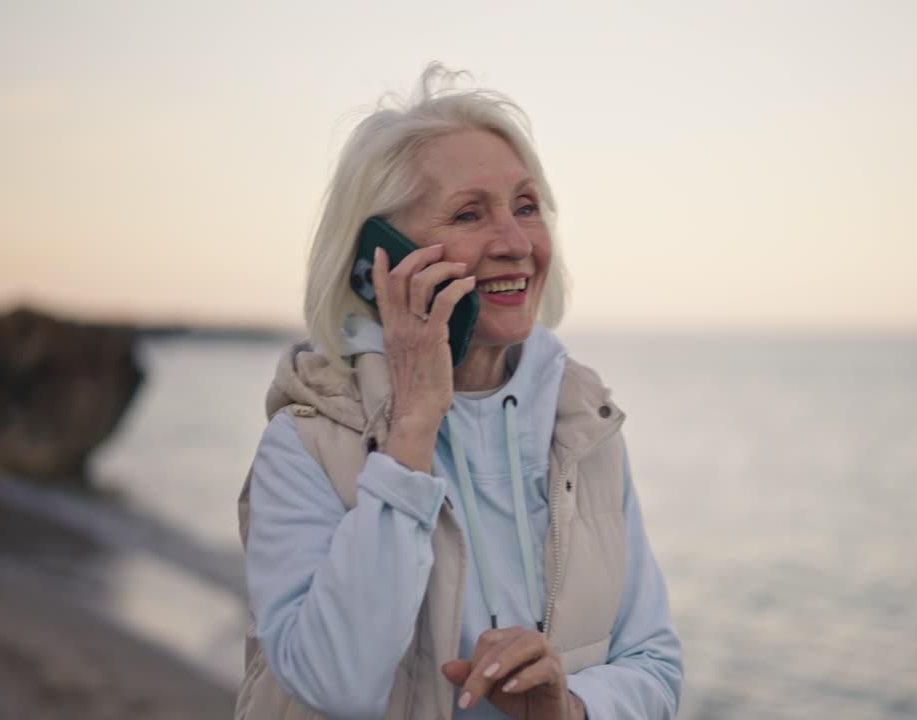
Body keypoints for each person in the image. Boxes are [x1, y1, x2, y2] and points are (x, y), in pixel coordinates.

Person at [236, 64, 682, 720]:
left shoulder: (584, 427)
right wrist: (412, 428)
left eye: (526, 207)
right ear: (378, 261)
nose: (515, 243)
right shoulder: (305, 442)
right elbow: (334, 682)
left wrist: (570, 707)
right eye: (470, 214)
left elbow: (655, 664)